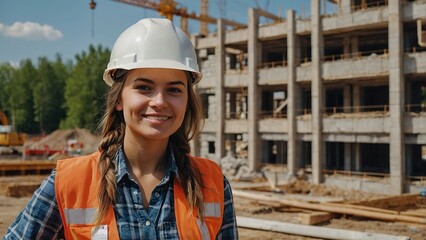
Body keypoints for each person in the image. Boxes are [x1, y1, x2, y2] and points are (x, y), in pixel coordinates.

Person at [3, 18, 238, 239]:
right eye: (144, 87)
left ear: (188, 101)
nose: (159, 101)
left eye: (174, 90)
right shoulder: (69, 183)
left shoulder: (213, 183)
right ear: (118, 99)